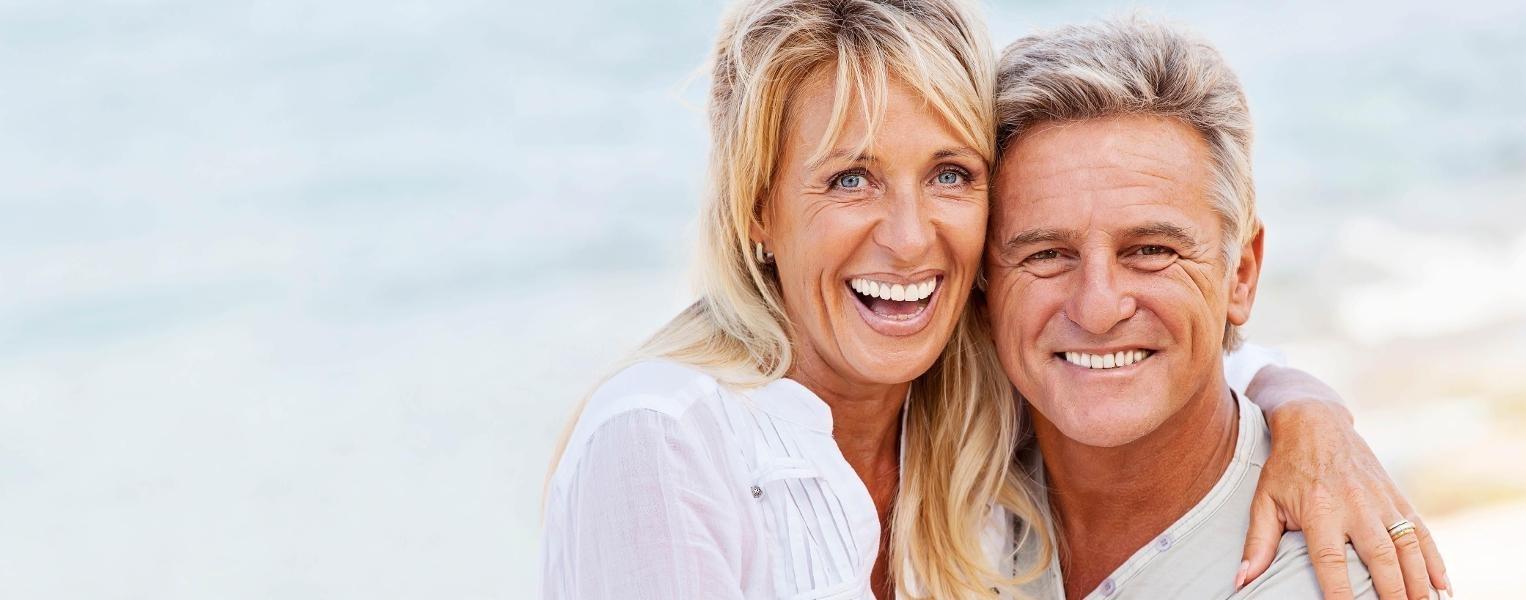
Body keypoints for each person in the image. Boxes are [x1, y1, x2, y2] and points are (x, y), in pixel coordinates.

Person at [540, 1, 1445, 598]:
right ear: (757, 213)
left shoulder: (967, 411)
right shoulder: (666, 440)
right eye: (850, 179)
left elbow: (1161, 345)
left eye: (948, 174)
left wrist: (1312, 418)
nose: (907, 235)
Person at [984, 18, 1445, 599]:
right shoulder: (945, 487)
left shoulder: (1327, 577)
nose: (1097, 307)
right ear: (983, 284)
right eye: (1047, 254)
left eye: (1151, 250)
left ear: (1241, 274)